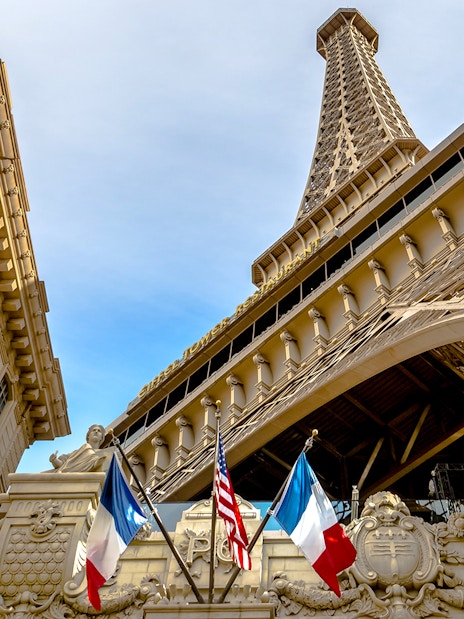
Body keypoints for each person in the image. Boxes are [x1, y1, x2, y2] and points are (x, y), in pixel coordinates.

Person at [48, 424, 114, 473]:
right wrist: (54, 460)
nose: (96, 431)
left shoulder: (104, 454)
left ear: (101, 438)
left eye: (99, 431)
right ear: (88, 436)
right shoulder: (77, 453)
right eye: (94, 430)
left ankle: (92, 463)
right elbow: (62, 465)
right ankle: (92, 462)